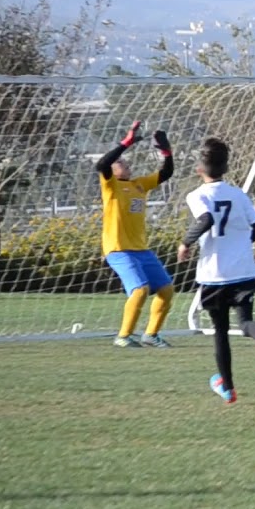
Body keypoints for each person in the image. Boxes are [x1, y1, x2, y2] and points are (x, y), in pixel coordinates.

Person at [177, 138, 255, 404]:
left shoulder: (197, 195)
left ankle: (228, 388)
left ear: (200, 167)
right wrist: (239, 245)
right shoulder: (238, 194)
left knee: (220, 332)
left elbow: (206, 219)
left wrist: (185, 243)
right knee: (245, 323)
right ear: (225, 166)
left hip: (214, 274)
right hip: (243, 270)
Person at [96, 120, 176, 348]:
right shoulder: (110, 185)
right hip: (118, 250)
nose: (124, 163)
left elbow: (166, 173)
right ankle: (123, 336)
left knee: (166, 289)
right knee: (140, 290)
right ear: (112, 170)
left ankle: (151, 335)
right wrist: (126, 143)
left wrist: (166, 151)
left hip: (142, 250)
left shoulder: (140, 184)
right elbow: (103, 163)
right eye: (119, 162)